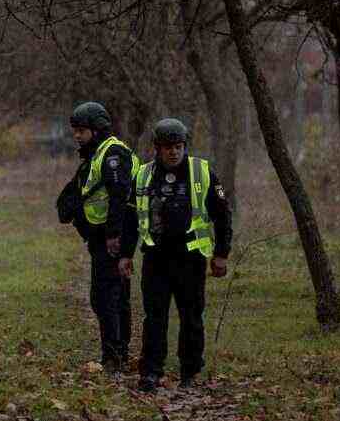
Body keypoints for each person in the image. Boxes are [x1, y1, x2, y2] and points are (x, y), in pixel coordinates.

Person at [118, 118, 233, 392]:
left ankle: (189, 372)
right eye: (168, 147)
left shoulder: (203, 171)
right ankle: (151, 372)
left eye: (178, 146)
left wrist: (221, 253)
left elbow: (222, 215)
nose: (174, 152)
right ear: (157, 148)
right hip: (155, 258)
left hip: (190, 258)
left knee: (191, 316)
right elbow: (130, 219)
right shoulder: (142, 175)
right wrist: (125, 255)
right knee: (154, 317)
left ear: (184, 146)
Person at [57, 101, 139, 375]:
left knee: (107, 298)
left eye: (81, 130)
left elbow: (119, 196)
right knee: (109, 297)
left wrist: (114, 235)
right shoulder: (97, 154)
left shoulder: (113, 153)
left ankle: (114, 357)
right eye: (75, 130)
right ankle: (117, 354)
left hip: (111, 239)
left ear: (97, 129)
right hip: (102, 238)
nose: (76, 135)